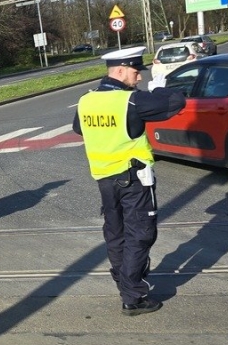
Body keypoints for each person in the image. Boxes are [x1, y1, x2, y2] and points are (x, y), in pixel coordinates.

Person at [73, 46, 186, 316]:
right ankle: (132, 295)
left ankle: (124, 281)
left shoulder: (86, 100)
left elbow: (79, 128)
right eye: (136, 72)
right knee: (141, 233)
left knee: (116, 233)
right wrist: (160, 87)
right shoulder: (131, 101)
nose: (139, 78)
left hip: (104, 179)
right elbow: (175, 103)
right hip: (134, 179)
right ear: (120, 70)